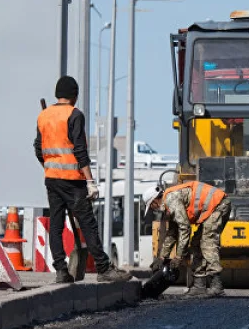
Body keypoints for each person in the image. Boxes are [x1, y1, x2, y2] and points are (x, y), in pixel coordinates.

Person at [34, 76, 132, 284]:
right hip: (73, 180)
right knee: (88, 223)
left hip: (51, 179)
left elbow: (37, 148)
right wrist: (90, 181)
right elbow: (80, 151)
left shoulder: (44, 116)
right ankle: (104, 269)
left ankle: (61, 270)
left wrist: (50, 167)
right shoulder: (74, 115)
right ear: (74, 95)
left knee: (57, 225)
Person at [150, 180, 231, 297]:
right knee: (196, 244)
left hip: (218, 204)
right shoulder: (169, 205)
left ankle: (216, 286)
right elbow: (172, 233)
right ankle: (199, 286)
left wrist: (178, 257)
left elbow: (185, 228)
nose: (153, 210)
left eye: (151, 207)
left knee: (207, 242)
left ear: (154, 201)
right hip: (211, 209)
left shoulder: (171, 199)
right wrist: (162, 257)